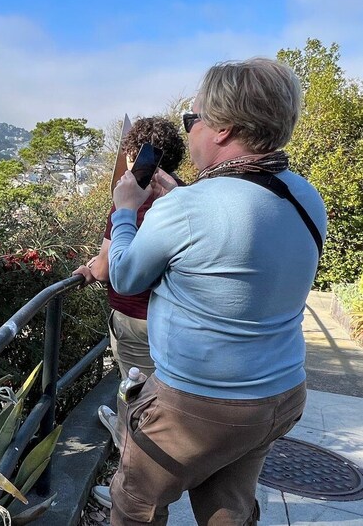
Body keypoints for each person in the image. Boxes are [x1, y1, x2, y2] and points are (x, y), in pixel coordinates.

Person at [103, 58, 326, 526]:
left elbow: (122, 275)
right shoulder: (304, 195)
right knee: (229, 504)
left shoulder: (188, 208)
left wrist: (126, 210)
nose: (188, 132)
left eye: (193, 119)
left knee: (135, 501)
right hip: (281, 393)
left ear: (222, 128)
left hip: (200, 405)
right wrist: (178, 201)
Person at [73, 117, 186, 452]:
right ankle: (125, 430)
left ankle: (130, 472)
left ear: (135, 156)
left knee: (139, 397)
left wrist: (91, 268)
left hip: (135, 318)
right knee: (161, 395)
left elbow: (109, 269)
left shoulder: (129, 200)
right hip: (174, 317)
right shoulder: (185, 196)